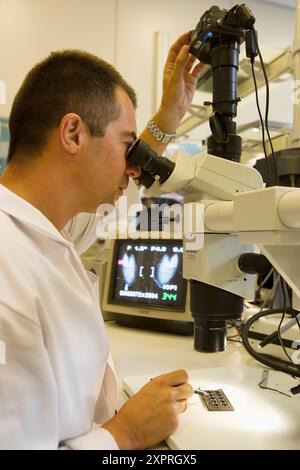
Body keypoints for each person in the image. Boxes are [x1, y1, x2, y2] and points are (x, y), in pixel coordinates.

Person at [0, 33, 205, 450]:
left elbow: (121, 194)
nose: (133, 168)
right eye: (127, 146)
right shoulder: (8, 276)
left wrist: (168, 114)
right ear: (73, 132)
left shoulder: (46, 229)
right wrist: (125, 434)